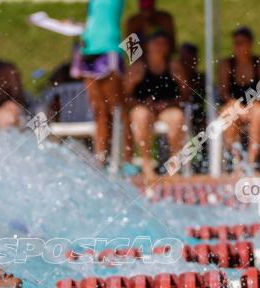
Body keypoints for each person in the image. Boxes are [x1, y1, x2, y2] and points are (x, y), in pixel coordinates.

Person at [125, 31, 186, 183]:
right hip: (144, 108)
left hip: (167, 108)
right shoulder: (138, 68)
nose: (159, 47)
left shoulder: (174, 67)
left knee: (177, 117)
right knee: (140, 115)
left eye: (163, 44)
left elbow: (186, 95)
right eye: (156, 44)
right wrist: (143, 104)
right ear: (148, 47)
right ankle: (147, 164)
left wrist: (169, 103)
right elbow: (125, 97)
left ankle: (174, 165)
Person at [73, 0, 128, 166]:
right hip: (89, 50)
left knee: (117, 108)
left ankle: (127, 159)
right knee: (99, 111)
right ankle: (101, 159)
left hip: (108, 48)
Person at [217, 27, 260, 170]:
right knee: (229, 114)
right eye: (236, 43)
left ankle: (251, 161)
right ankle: (236, 160)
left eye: (242, 43)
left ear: (250, 44)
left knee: (258, 114)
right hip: (234, 104)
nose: (238, 47)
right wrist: (236, 105)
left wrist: (251, 106)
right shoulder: (226, 65)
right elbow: (223, 93)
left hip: (257, 103)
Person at [177, 43, 207, 132]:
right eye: (183, 60)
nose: (186, 64)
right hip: (179, 113)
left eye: (189, 60)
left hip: (198, 114)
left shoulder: (201, 79)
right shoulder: (174, 79)